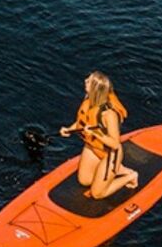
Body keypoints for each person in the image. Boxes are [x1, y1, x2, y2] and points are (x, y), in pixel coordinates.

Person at [59, 71, 138, 199]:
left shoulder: (109, 114)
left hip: (110, 154)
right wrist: (69, 129)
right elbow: (83, 121)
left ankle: (130, 176)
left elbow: (115, 143)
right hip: (93, 147)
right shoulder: (88, 100)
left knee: (97, 194)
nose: (85, 81)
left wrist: (95, 132)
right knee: (84, 180)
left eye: (89, 81)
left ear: (95, 88)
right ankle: (118, 170)